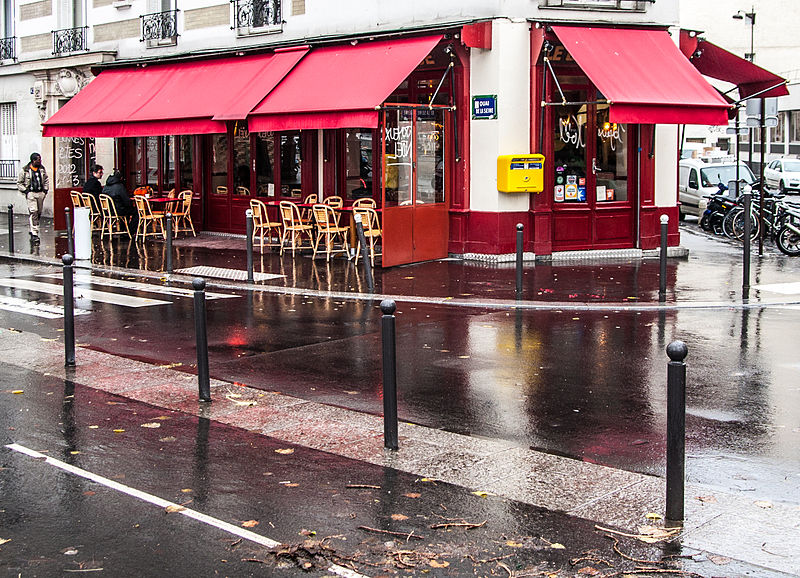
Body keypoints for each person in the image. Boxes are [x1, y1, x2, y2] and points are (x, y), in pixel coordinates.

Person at [16, 152, 49, 243]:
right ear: (33, 160)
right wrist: (26, 191)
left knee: (38, 212)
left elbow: (46, 179)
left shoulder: (42, 169)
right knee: (33, 211)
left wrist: (45, 190)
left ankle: (33, 229)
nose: (40, 161)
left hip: (40, 193)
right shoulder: (25, 170)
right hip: (31, 194)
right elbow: (19, 183)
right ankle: (35, 233)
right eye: (38, 159)